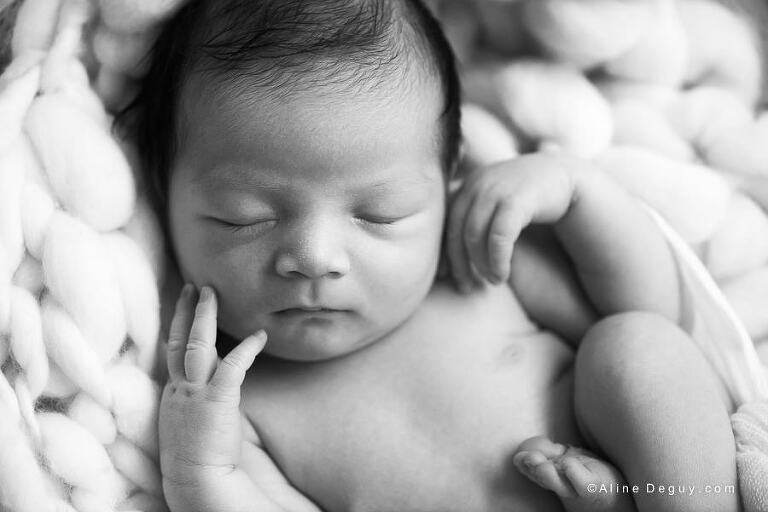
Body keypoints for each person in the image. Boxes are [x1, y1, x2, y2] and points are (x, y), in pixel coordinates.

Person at [121, 0, 740, 510]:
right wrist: (200, 462)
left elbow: (658, 316)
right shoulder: (242, 406)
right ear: (161, 201)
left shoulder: (476, 266)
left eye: (380, 214)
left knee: (634, 344)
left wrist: (578, 195)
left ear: (449, 185)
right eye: (243, 218)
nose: (313, 258)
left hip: (657, 486)